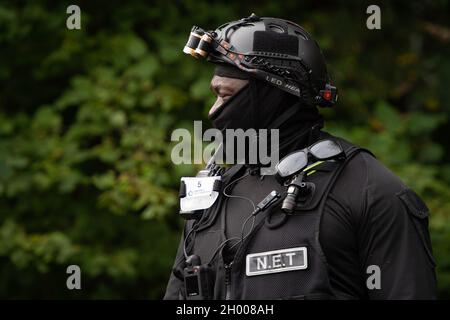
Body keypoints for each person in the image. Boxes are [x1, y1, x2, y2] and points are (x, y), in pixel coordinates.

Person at [164, 14, 437, 300]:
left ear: (273, 93)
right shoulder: (211, 198)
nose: (213, 111)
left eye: (226, 95)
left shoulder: (369, 192)